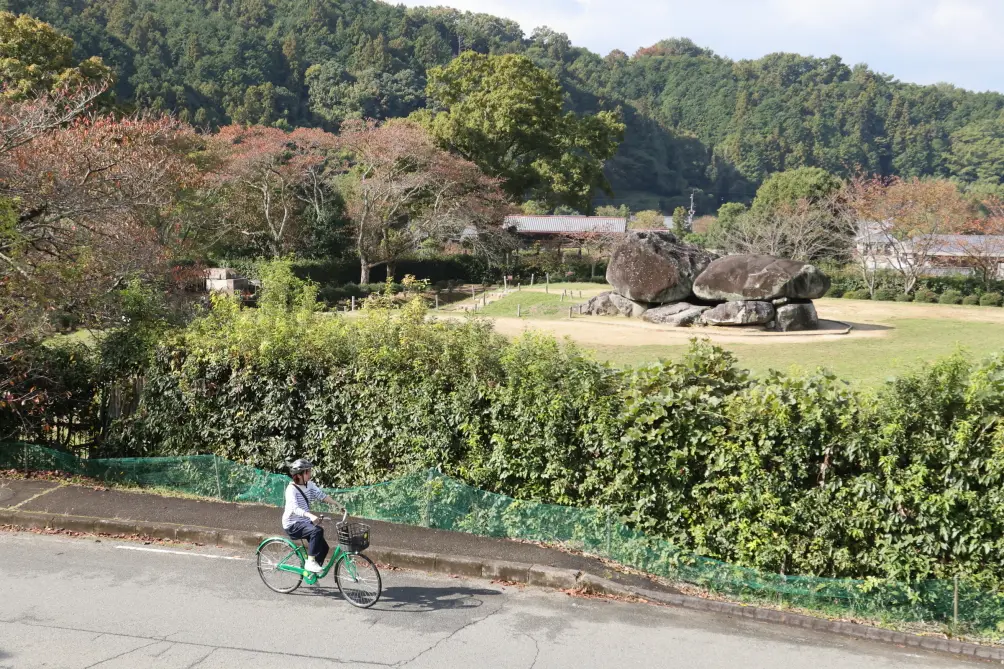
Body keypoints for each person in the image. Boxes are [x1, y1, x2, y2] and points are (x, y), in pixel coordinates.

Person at [283, 458, 344, 574]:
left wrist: (337, 504)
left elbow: (322, 496)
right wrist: (310, 516)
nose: (310, 474)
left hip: (304, 522)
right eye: (308, 471)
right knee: (317, 531)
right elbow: (294, 508)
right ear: (300, 475)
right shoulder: (291, 490)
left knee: (324, 548)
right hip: (292, 524)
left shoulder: (309, 485)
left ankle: (311, 574)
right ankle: (310, 562)